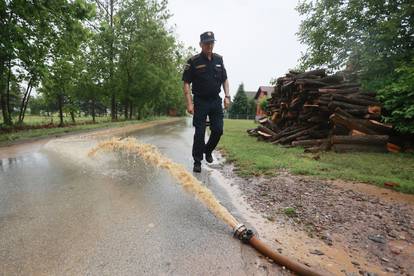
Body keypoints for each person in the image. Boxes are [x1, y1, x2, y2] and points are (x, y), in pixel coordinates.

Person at [182, 31, 231, 173]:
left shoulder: (219, 60)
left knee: (218, 130)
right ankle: (197, 161)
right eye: (206, 43)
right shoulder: (193, 61)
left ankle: (207, 150)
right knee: (200, 132)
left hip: (215, 101)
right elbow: (186, 83)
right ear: (201, 44)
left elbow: (225, 79)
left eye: (212, 43)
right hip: (200, 101)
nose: (209, 45)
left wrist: (227, 96)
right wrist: (189, 103)